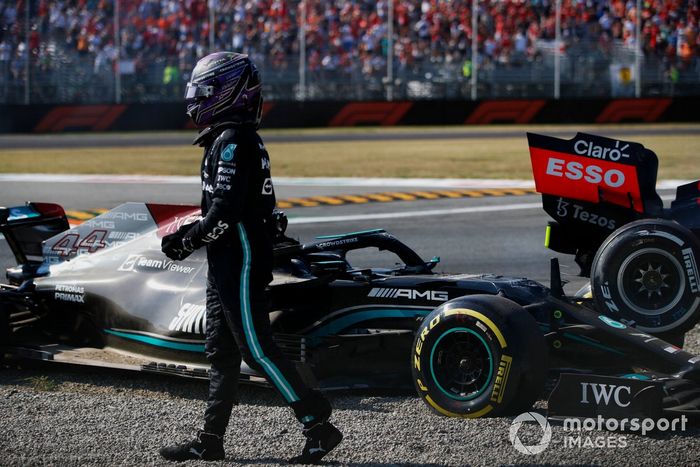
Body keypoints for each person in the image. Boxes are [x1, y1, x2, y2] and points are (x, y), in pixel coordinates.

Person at [159, 51, 342, 464]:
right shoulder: (230, 139)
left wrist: (184, 241)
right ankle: (211, 440)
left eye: (204, 92)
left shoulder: (235, 142)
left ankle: (317, 422)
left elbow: (224, 213)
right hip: (228, 261)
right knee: (220, 353)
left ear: (229, 93)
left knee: (256, 349)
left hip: (239, 262)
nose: (196, 100)